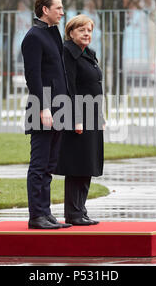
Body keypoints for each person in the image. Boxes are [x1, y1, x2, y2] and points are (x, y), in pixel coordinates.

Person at [21, 0, 72, 229]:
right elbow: (34, 76)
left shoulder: (52, 34)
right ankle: (36, 216)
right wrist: (44, 108)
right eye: (58, 8)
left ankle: (46, 213)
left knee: (50, 165)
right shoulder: (34, 37)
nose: (62, 12)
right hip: (43, 107)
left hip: (59, 107)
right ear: (45, 10)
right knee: (39, 164)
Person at [55, 14, 105, 226]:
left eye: (89, 30)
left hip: (92, 114)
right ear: (71, 32)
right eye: (82, 30)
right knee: (76, 165)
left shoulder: (89, 54)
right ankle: (73, 213)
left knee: (88, 164)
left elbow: (95, 88)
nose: (86, 34)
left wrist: (100, 116)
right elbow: (71, 88)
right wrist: (76, 119)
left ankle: (81, 210)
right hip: (79, 117)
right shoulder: (68, 53)